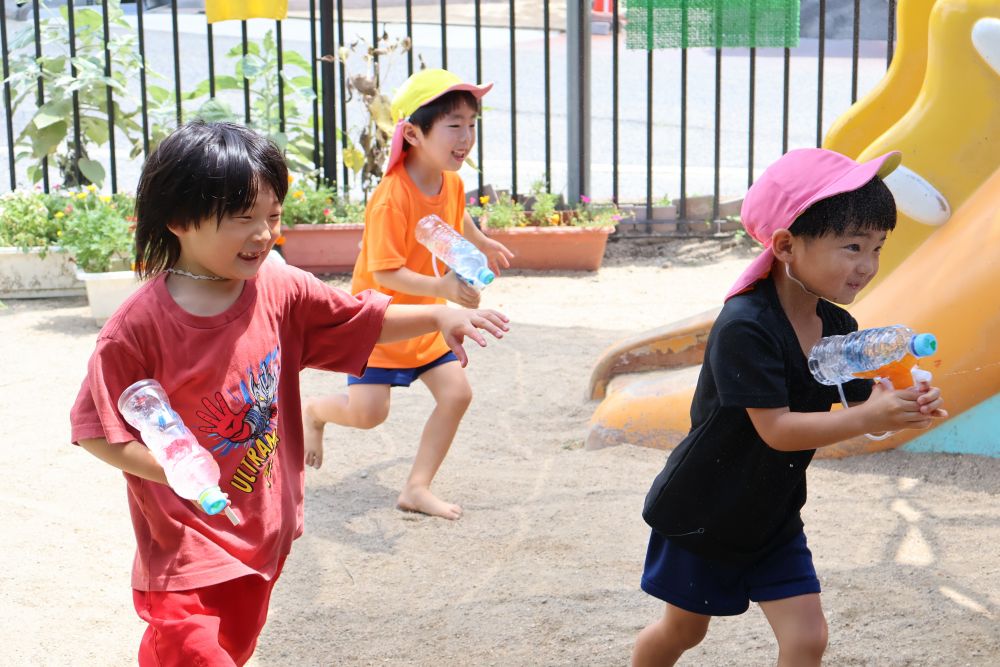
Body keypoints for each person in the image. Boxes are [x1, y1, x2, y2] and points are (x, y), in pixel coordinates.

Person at [69, 120, 508, 666]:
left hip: (261, 532)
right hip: (188, 548)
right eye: (243, 219)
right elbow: (95, 430)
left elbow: (358, 320)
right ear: (180, 220)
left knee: (235, 647)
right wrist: (175, 470)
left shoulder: (277, 287)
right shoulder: (136, 329)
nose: (264, 235)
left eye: (273, 217)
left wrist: (441, 313)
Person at [632, 148, 948, 667]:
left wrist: (902, 402)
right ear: (785, 245)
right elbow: (776, 429)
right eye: (851, 246)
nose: (867, 266)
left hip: (772, 515)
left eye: (877, 247)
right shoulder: (746, 327)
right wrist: (869, 418)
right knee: (681, 633)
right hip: (703, 511)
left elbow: (857, 395)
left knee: (807, 639)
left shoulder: (838, 326)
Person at [302, 68, 514, 520]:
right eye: (454, 125)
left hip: (426, 319)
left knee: (457, 394)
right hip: (381, 324)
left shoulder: (450, 181)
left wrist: (482, 242)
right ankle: (316, 411)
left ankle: (416, 487)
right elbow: (386, 272)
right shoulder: (390, 197)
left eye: (472, 125)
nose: (466, 136)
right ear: (414, 133)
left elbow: (456, 220)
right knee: (368, 415)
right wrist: (443, 289)